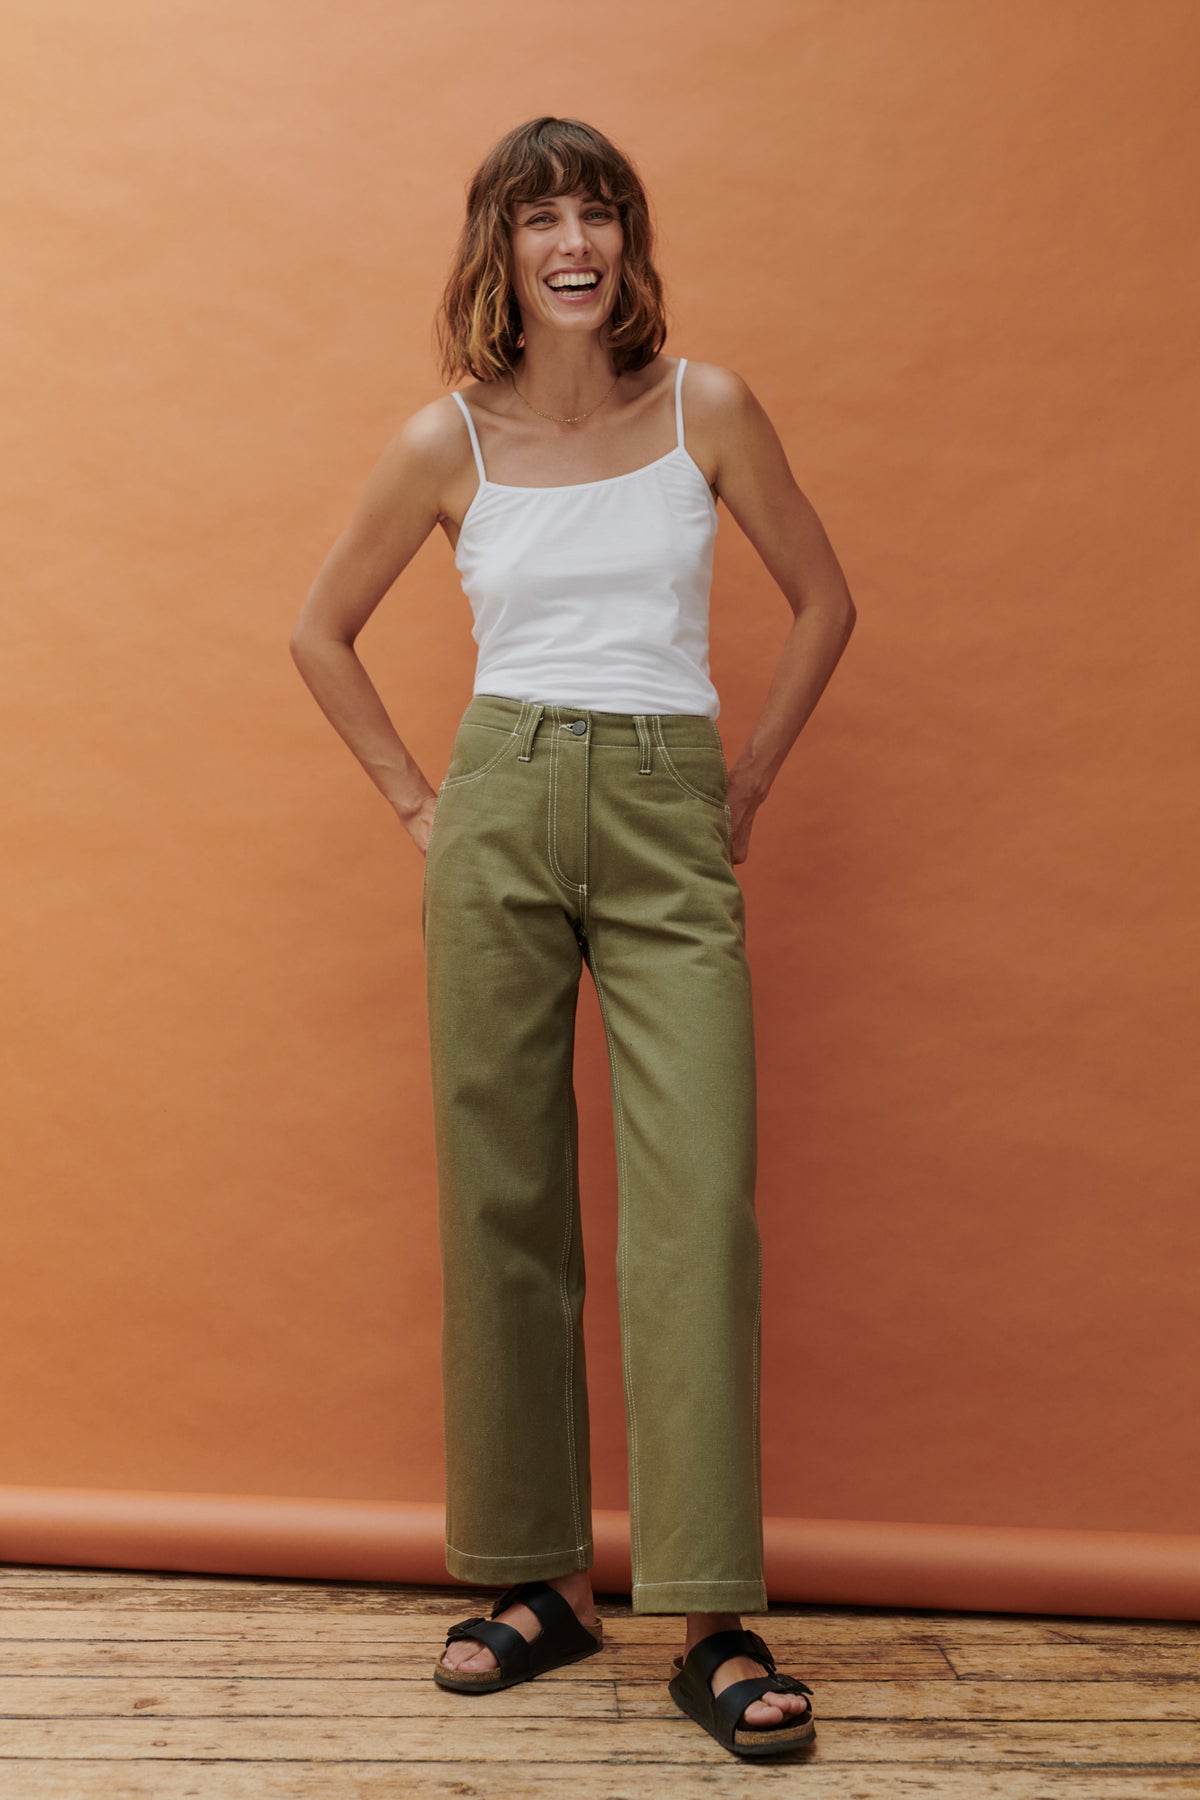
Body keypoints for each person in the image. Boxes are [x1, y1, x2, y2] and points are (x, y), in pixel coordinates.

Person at [289, 115, 855, 1761]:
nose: (572, 237)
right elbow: (318, 632)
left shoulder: (707, 411)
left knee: (698, 1208)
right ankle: (537, 1586)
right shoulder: (444, 444)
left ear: (626, 243)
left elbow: (825, 598)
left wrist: (739, 784)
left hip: (670, 802)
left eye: (596, 208)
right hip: (503, 795)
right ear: (501, 253)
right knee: (504, 1196)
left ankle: (710, 1619)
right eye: (539, 215)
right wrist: (422, 808)